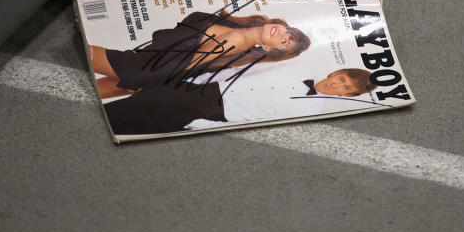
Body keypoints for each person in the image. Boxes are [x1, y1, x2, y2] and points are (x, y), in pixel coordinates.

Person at [89, 10, 310, 99]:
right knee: (88, 88)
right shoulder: (233, 21)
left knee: (85, 56)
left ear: (271, 49)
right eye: (288, 32)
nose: (282, 34)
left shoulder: (238, 52)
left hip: (144, 70)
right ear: (283, 24)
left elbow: (185, 67)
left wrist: (146, 82)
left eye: (284, 41)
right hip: (147, 67)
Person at [103, 67, 378, 136]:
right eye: (342, 78)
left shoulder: (314, 111)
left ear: (346, 96)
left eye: (345, 88)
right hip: (199, 88)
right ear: (336, 72)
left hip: (210, 113)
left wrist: (199, 123)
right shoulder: (300, 68)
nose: (337, 84)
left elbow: (260, 122)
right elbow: (242, 71)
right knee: (120, 107)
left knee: (127, 127)